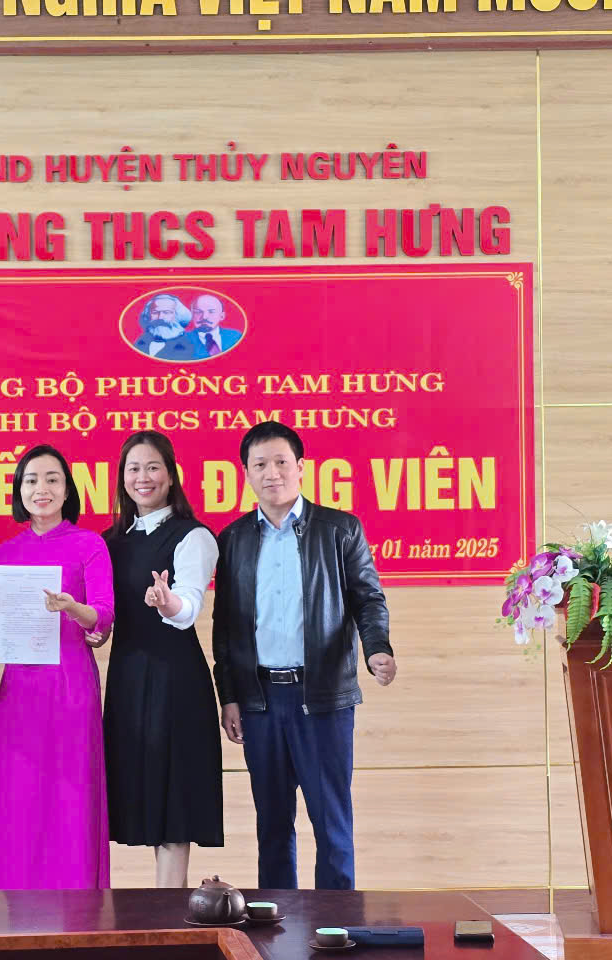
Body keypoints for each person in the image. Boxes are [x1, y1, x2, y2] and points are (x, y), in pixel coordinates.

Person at [211, 421, 396, 891]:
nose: (271, 473)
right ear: (247, 474)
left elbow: (368, 600)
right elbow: (225, 627)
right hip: (260, 701)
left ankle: (335, 924)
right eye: (260, 465)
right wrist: (229, 695)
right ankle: (276, 925)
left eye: (280, 462)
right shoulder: (232, 540)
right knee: (272, 827)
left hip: (323, 698)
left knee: (331, 824)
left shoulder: (340, 529)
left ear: (301, 468)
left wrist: (377, 649)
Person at [0, 444, 114, 890]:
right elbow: (3, 631)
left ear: (68, 489)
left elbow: (103, 616)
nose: (42, 488)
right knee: (21, 798)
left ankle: (80, 905)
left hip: (71, 687)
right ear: (19, 489)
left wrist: (72, 608)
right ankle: (16, 905)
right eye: (31, 480)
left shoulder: (89, 544)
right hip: (19, 690)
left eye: (53, 479)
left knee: (73, 797)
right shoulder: (5, 553)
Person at [100, 431, 223, 888]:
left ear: (171, 475)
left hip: (175, 681)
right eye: (133, 468)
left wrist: (168, 603)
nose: (143, 477)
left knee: (174, 806)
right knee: (144, 797)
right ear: (122, 479)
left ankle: (170, 914)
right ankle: (163, 913)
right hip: (128, 679)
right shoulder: (110, 542)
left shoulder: (194, 536)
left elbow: (189, 606)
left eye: (153, 467)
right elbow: (103, 618)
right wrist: (92, 627)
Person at [131, 293, 199, 361]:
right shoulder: (141, 340)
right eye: (155, 312)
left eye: (166, 312)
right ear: (148, 315)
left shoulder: (187, 343)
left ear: (178, 316)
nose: (160, 317)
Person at [187, 294, 243, 359]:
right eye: (198, 312)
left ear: (222, 316)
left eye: (211, 312)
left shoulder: (236, 336)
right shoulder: (181, 340)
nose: (204, 317)